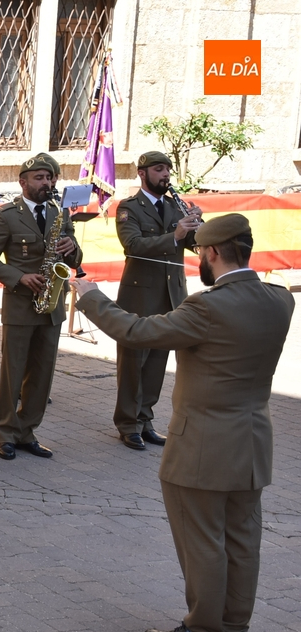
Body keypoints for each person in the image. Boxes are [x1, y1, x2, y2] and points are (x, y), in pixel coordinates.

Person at [72, 213, 293, 632]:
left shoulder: (207, 308)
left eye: (201, 254)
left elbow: (136, 332)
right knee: (242, 541)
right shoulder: (280, 299)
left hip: (202, 445)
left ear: (213, 252)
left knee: (203, 541)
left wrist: (91, 297)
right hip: (252, 441)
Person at [0, 154, 82, 461]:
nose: (46, 183)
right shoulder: (7, 215)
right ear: (23, 182)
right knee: (14, 373)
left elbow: (75, 258)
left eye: (49, 178)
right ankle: (6, 433)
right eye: (39, 178)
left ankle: (27, 431)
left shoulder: (59, 211)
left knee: (42, 374)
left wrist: (73, 249)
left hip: (52, 305)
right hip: (21, 305)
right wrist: (19, 277)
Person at [111, 151, 202, 450]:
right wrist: (175, 235)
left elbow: (192, 243)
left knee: (157, 362)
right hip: (140, 295)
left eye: (167, 170)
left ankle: (145, 419)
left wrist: (198, 226)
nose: (165, 175)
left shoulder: (175, 205)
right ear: (142, 173)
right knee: (133, 363)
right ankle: (128, 424)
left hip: (171, 295)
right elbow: (133, 245)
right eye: (159, 169)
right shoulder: (129, 208)